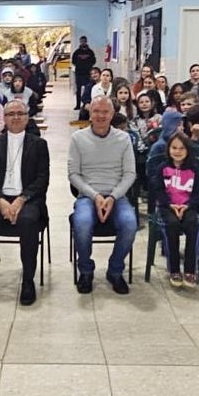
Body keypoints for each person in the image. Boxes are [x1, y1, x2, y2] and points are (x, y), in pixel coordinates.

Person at [0, 100, 50, 306]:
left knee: (28, 222)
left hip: (27, 198)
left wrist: (21, 199)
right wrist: (0, 201)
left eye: (20, 113)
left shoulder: (39, 145)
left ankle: (27, 280)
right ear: (4, 118)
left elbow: (42, 179)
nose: (15, 117)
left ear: (27, 117)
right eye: (11, 114)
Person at [68, 96, 137, 295]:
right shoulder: (78, 138)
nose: (100, 116)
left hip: (117, 196)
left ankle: (115, 270)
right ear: (90, 113)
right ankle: (86, 271)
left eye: (105, 112)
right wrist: (96, 196)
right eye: (96, 111)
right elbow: (73, 174)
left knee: (130, 223)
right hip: (88, 196)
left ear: (112, 114)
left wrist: (113, 197)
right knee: (81, 223)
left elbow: (130, 173)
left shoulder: (123, 138)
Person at [150, 131, 199, 289]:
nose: (177, 151)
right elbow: (158, 191)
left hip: (188, 206)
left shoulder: (195, 168)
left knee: (192, 224)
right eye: (174, 147)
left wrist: (188, 206)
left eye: (181, 148)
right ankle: (174, 269)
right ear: (168, 149)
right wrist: (169, 205)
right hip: (168, 207)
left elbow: (198, 193)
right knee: (171, 225)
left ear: (188, 150)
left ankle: (190, 269)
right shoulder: (163, 168)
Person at [71, 35, 97, 110]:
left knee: (88, 90)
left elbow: (93, 61)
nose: (83, 43)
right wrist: (80, 65)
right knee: (78, 90)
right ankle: (78, 105)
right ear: (80, 42)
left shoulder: (90, 52)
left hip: (88, 74)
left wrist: (87, 65)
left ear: (86, 42)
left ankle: (86, 104)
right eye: (81, 41)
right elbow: (73, 61)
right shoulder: (77, 52)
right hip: (79, 73)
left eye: (84, 41)